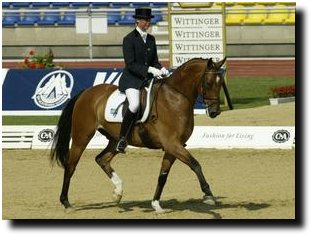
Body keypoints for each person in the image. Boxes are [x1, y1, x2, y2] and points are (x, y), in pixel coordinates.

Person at [116, 7, 169, 153]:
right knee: (134, 104)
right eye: (145, 20)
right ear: (137, 20)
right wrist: (149, 70)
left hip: (147, 80)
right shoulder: (128, 39)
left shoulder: (151, 39)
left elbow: (155, 61)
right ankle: (122, 138)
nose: (148, 22)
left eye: (149, 20)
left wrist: (161, 68)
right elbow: (130, 64)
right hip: (132, 80)